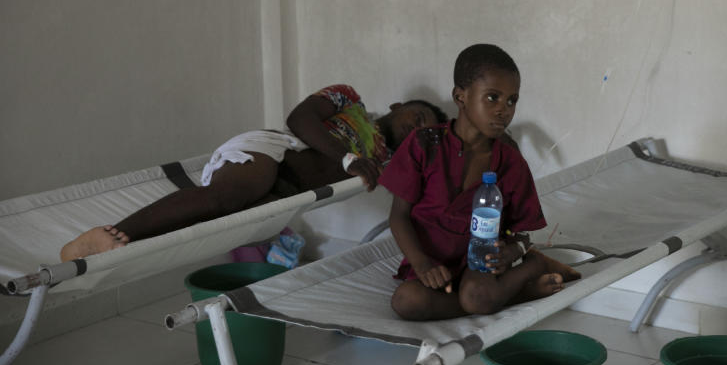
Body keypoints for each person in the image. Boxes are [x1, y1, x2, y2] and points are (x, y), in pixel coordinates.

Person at [60, 84, 446, 261]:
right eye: (419, 116)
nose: (418, 128)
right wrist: (347, 159)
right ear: (397, 105)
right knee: (223, 199)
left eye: (426, 131)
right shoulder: (350, 99)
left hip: (286, 189)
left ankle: (116, 245)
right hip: (273, 151)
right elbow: (299, 119)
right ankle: (106, 236)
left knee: (226, 217)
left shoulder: (391, 163)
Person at [380, 44, 579, 321]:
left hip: (481, 261)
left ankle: (533, 266)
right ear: (460, 97)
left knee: (475, 296)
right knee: (406, 301)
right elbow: (399, 216)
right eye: (493, 98)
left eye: (512, 101)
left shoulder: (509, 161)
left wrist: (512, 254)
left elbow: (521, 233)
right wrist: (422, 263)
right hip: (432, 260)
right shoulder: (424, 144)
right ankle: (519, 293)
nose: (503, 111)